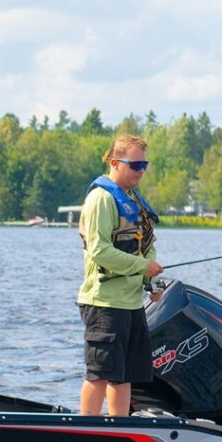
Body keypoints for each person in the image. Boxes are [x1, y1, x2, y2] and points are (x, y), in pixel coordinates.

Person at [77, 134, 163, 416]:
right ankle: (85, 430)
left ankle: (119, 426)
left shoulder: (133, 200)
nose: (141, 171)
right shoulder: (101, 199)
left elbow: (146, 247)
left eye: (144, 165)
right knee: (100, 373)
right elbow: (100, 251)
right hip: (104, 303)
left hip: (131, 303)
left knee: (124, 375)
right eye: (135, 165)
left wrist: (151, 281)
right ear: (114, 162)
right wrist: (142, 267)